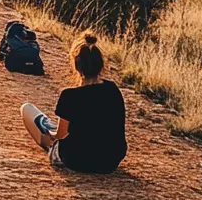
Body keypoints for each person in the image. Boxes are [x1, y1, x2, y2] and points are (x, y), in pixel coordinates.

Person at [20, 31, 126, 173]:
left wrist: (51, 134)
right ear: (101, 65)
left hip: (77, 160)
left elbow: (61, 135)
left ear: (76, 66)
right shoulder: (113, 90)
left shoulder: (70, 96)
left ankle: (48, 145)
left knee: (27, 109)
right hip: (110, 161)